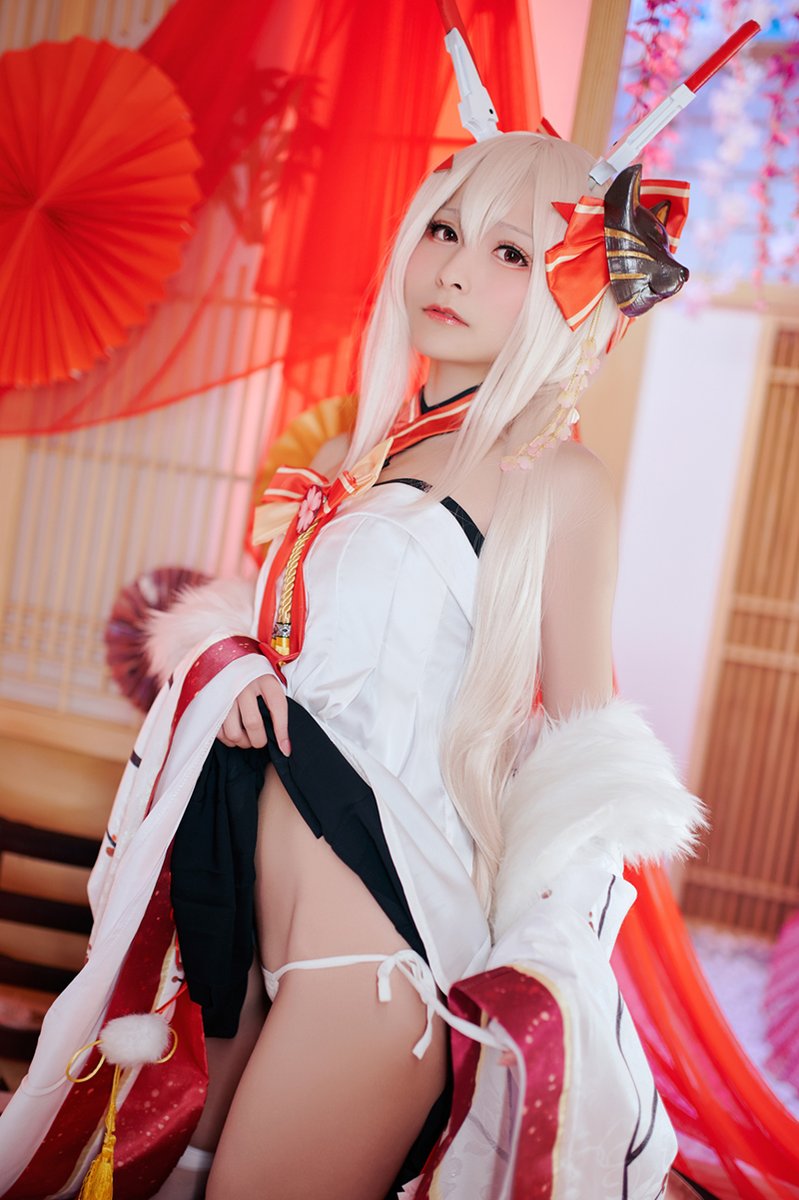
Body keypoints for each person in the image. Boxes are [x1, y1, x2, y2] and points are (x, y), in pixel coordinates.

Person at [0, 131, 703, 1200]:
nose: (454, 270)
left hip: (378, 953)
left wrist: (540, 970)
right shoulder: (348, 461)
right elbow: (288, 654)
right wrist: (230, 663)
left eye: (511, 252)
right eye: (443, 231)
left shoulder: (554, 481)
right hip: (235, 922)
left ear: (573, 283)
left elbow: (582, 759)